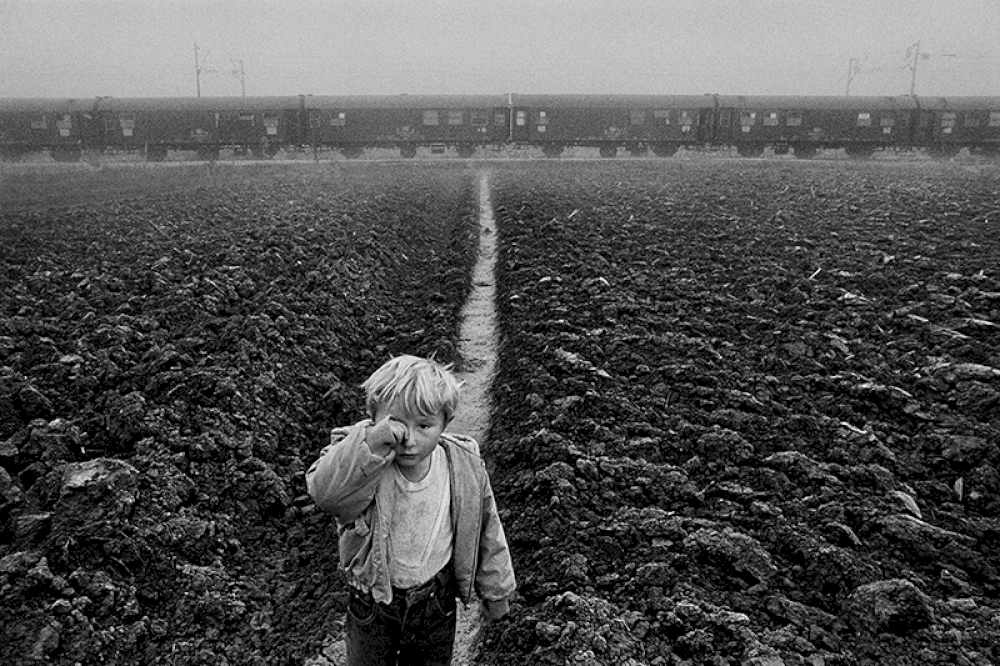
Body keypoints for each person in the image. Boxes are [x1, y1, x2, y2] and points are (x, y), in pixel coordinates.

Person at [306, 354, 516, 666]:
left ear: (445, 423)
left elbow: (486, 526)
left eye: (424, 426)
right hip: (373, 603)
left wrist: (496, 589)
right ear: (373, 417)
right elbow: (326, 494)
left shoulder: (463, 467)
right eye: (396, 424)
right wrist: (372, 444)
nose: (409, 439)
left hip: (436, 602)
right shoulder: (360, 460)